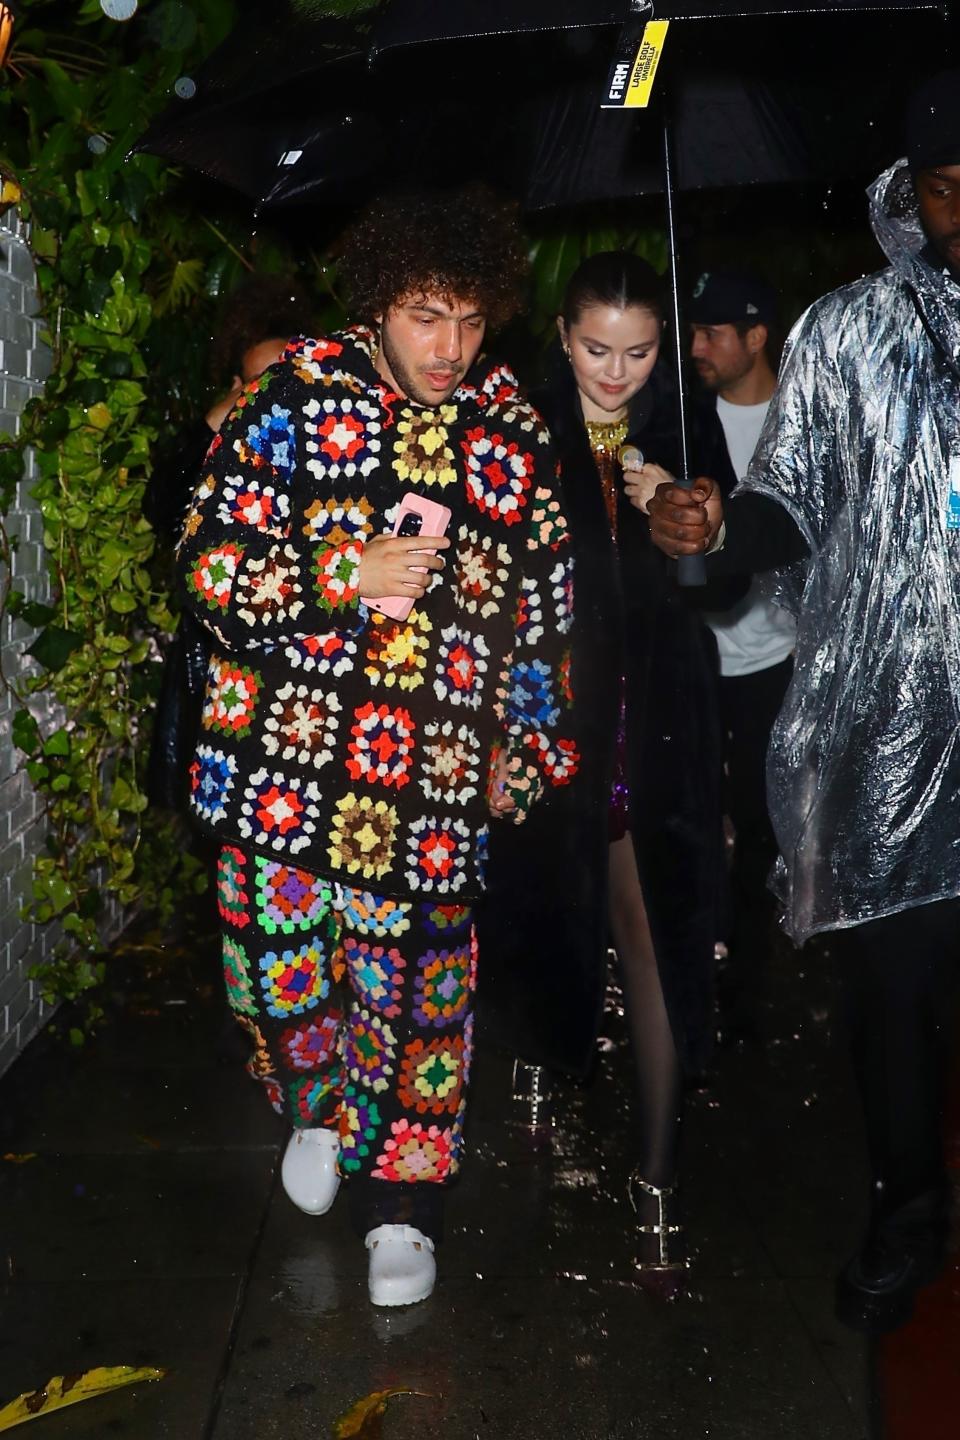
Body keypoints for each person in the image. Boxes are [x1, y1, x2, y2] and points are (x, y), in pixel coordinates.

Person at [175, 186, 578, 1307]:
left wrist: (532, 747)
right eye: (423, 317)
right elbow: (205, 571)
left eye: (469, 319)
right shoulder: (294, 400)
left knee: (419, 996)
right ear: (376, 305)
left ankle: (404, 1206)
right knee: (281, 986)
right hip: (282, 771)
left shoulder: (512, 428)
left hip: (435, 776)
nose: (449, 348)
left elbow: (546, 608)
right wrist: (338, 574)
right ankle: (315, 1108)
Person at [647, 71, 960, 1331]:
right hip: (891, 731)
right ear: (910, 193)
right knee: (892, 995)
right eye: (947, 185)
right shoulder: (847, 332)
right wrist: (716, 528)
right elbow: (792, 502)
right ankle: (906, 1213)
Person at [482, 252, 735, 1273]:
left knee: (658, 936)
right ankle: (547, 1054)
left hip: (662, 730)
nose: (617, 373)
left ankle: (660, 1173)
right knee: (553, 914)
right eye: (597, 349)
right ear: (560, 334)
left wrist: (683, 519)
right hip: (555, 728)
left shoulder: (680, 423)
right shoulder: (519, 425)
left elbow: (717, 590)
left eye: (638, 352)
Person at [145, 277, 313, 811]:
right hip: (221, 680)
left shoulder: (336, 456)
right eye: (260, 383)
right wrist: (221, 418)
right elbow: (162, 506)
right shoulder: (225, 453)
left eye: (287, 381)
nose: (274, 396)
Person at [688, 269, 797, 1041]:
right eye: (692, 332)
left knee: (765, 830)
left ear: (756, 337)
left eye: (713, 332)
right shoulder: (682, 421)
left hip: (777, 663)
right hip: (697, 660)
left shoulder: (801, 422)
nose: (696, 347)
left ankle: (751, 989)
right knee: (694, 824)